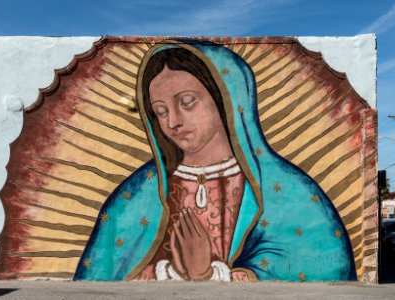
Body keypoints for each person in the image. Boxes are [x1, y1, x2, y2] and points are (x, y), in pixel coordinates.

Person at [74, 40, 356, 282]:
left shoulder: (289, 190)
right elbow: (107, 274)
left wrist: (209, 274)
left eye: (187, 102)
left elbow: (319, 265)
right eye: (160, 111)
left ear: (226, 98)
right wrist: (171, 271)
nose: (173, 122)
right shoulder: (138, 193)